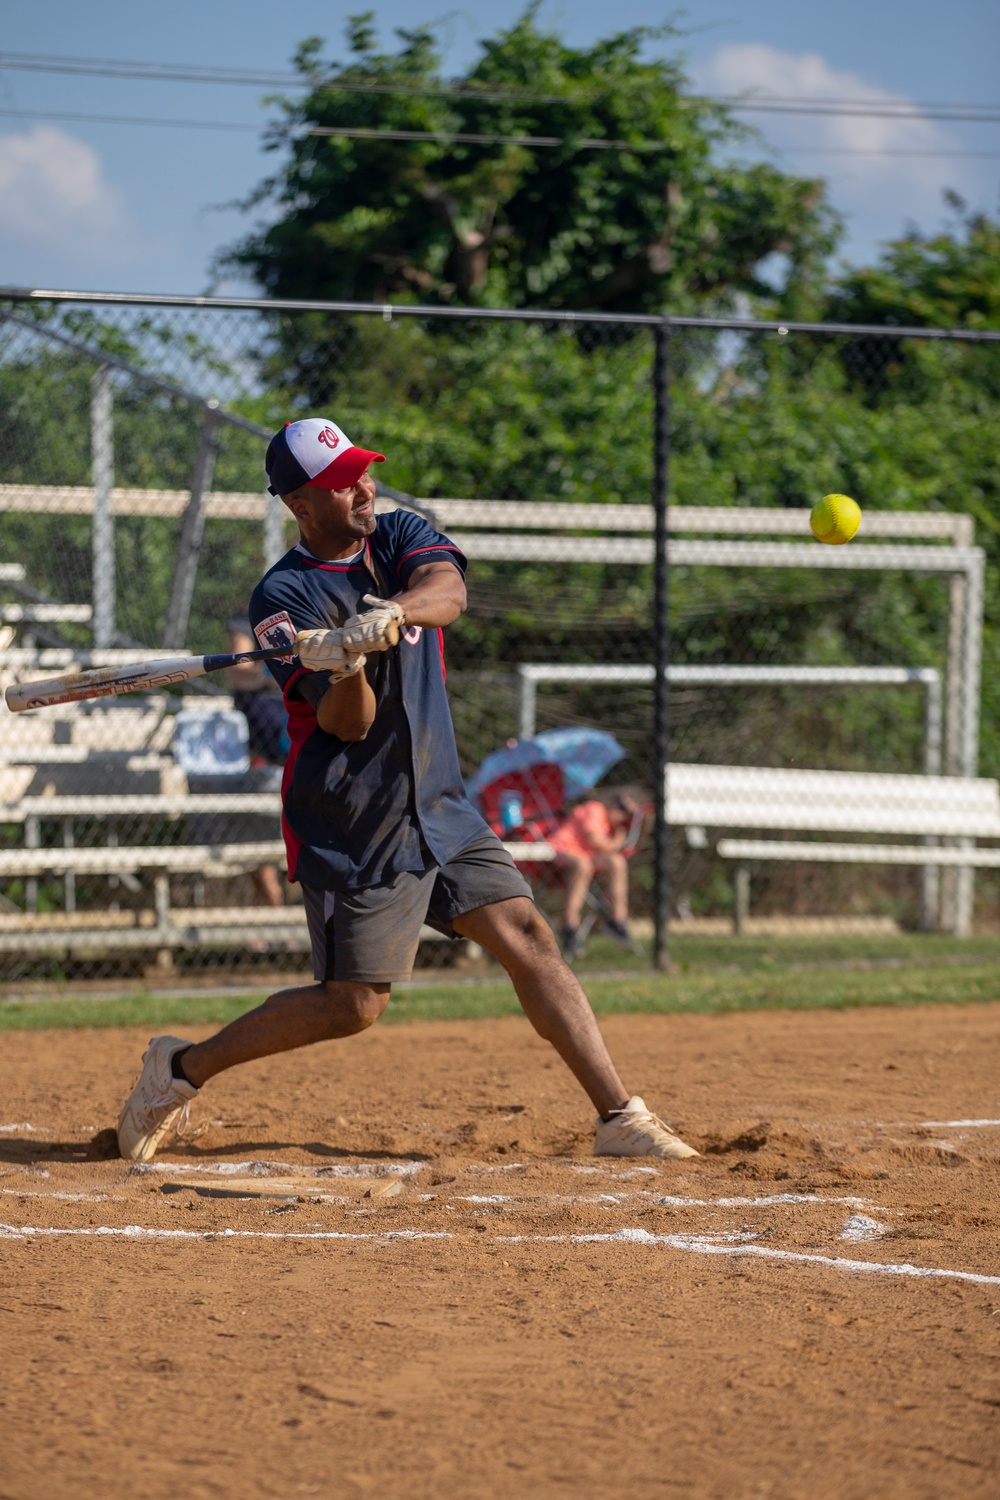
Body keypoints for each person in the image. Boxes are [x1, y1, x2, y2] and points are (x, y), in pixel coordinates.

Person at [117, 417, 698, 1164]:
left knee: (528, 937)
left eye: (362, 470)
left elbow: (446, 589)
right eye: (341, 481)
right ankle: (179, 1068)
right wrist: (343, 666)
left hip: (440, 803)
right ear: (300, 503)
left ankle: (620, 1115)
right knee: (352, 1006)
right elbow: (345, 726)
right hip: (353, 819)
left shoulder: (394, 535)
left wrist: (391, 612)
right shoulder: (281, 598)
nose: (363, 487)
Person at [225, 615, 290, 908]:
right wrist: (277, 671)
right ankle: (271, 917)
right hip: (266, 752)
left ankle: (278, 918)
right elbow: (239, 671)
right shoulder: (245, 620)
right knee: (260, 843)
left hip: (293, 763)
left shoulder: (301, 610)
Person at [551, 793, 642, 957]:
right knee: (583, 865)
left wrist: (617, 839)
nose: (621, 815)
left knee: (617, 862)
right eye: (620, 807)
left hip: (586, 857)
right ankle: (569, 926)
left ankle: (617, 921)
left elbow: (604, 848)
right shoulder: (595, 808)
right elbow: (592, 839)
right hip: (561, 850)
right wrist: (618, 841)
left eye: (627, 815)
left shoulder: (610, 827)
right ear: (611, 802)